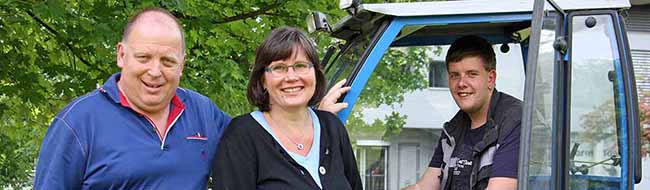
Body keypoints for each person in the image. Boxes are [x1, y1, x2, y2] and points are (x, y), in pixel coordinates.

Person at [33, 8, 350, 189]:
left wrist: (312, 115)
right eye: (144, 58)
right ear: (121, 55)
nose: (155, 72)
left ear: (182, 63)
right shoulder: (78, 123)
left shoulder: (201, 113)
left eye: (168, 61)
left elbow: (267, 139)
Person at [211, 27, 362, 190]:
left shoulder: (332, 127)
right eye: (279, 68)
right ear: (263, 80)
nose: (291, 77)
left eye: (301, 66)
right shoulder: (242, 136)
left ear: (315, 73)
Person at [402, 35, 522, 190]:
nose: (461, 83)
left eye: (472, 74)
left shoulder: (515, 121)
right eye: (454, 75)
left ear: (491, 79)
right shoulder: (453, 129)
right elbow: (423, 187)